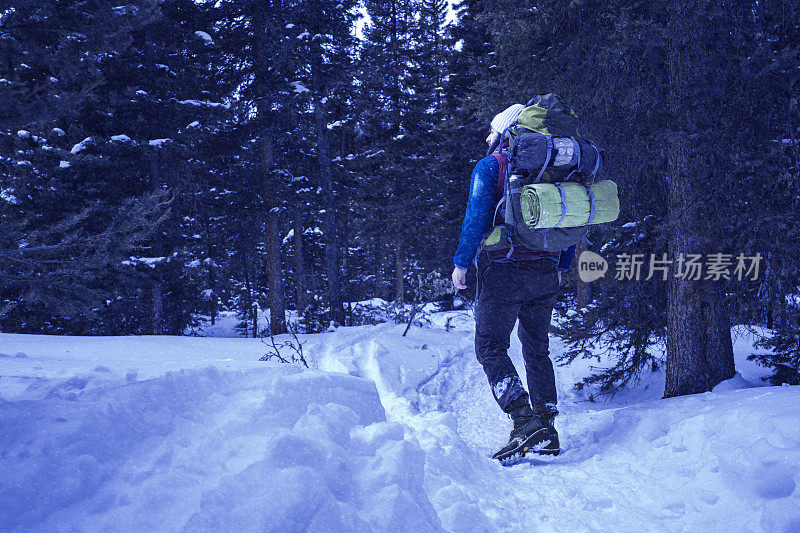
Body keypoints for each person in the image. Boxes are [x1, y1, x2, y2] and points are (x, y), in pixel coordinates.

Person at [452, 103, 575, 463]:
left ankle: (524, 419)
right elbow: (567, 226)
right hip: (546, 271)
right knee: (536, 347)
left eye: (492, 131)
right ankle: (547, 427)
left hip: (503, 270)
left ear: (506, 132)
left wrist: (461, 263)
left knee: (489, 346)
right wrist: (560, 265)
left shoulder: (491, 166)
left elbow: (476, 218)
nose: (487, 137)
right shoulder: (557, 171)